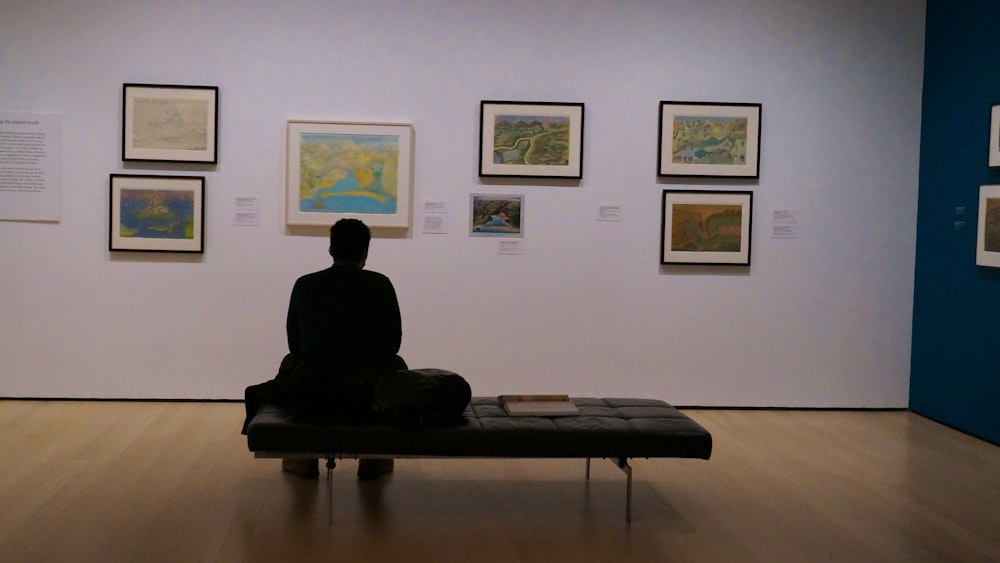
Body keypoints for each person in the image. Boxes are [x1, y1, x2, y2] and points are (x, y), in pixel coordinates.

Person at [242, 218, 402, 479]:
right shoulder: (380, 284)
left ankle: (301, 457)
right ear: (365, 251)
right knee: (395, 366)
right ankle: (374, 459)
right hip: (366, 390)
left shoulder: (306, 284)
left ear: (331, 250)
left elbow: (295, 344)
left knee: (290, 363)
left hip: (314, 387)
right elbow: (392, 343)